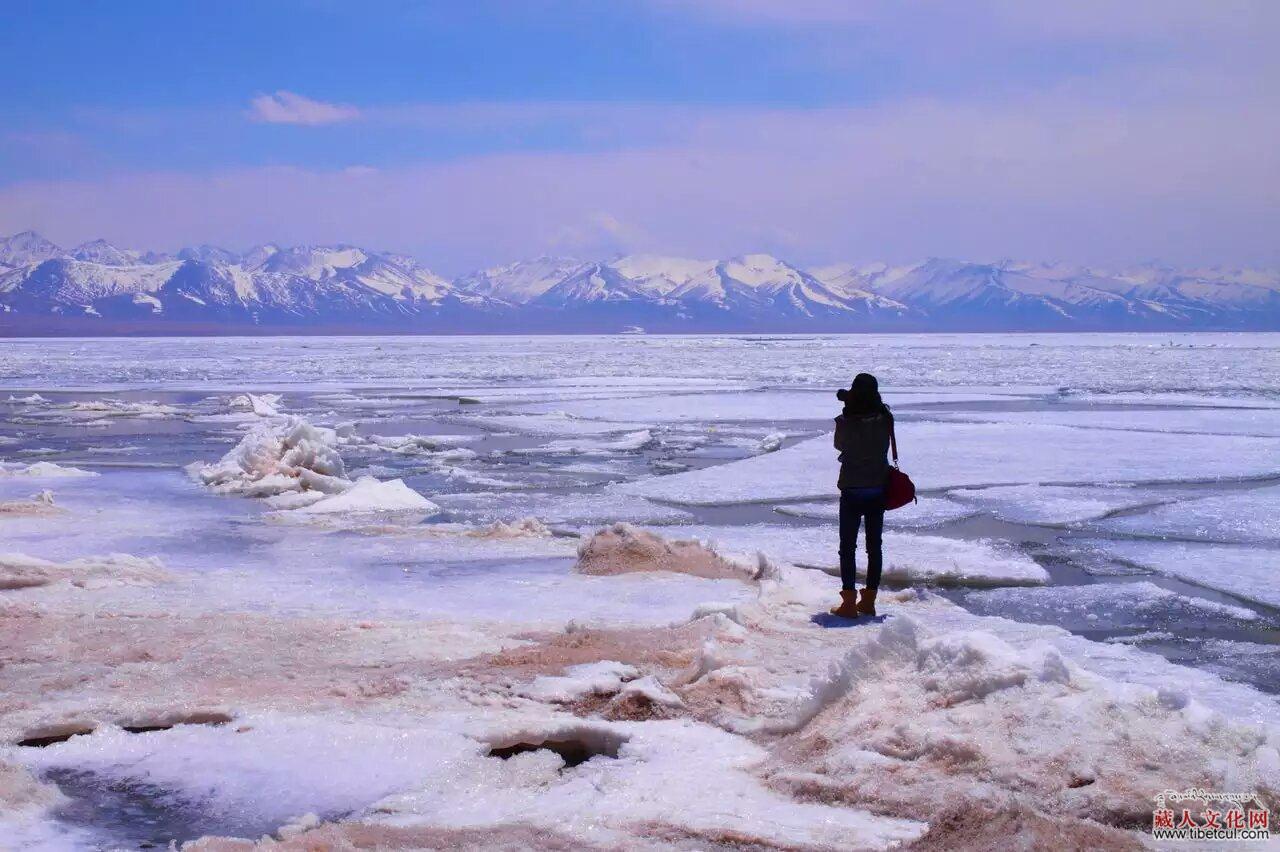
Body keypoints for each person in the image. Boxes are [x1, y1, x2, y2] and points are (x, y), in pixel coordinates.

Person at [829, 372, 892, 619]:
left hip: (852, 488)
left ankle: (848, 602)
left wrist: (848, 407)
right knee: (874, 546)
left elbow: (840, 445)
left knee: (848, 546)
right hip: (877, 486)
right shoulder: (885, 417)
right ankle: (869, 601)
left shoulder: (847, 420)